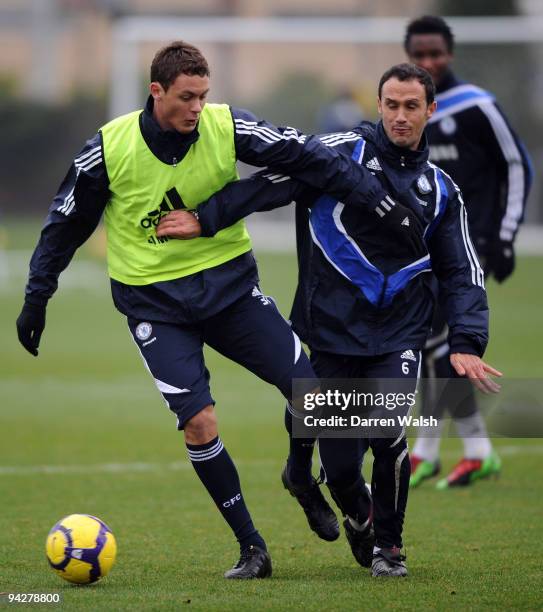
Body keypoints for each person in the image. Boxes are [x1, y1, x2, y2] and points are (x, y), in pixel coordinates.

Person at [15, 41, 420, 580]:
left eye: (204, 96)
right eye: (186, 97)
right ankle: (252, 547)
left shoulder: (228, 125)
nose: (197, 108)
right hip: (155, 307)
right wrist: (36, 297)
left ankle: (310, 480)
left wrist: (377, 198)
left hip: (231, 294)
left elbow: (310, 156)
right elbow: (64, 225)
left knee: (316, 395)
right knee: (200, 424)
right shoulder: (107, 149)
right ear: (155, 92)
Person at [153, 63, 501, 577]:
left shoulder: (442, 190)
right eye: (391, 105)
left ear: (431, 110)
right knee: (340, 470)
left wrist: (467, 339)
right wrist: (206, 218)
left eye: (412, 107)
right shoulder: (338, 155)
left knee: (385, 428)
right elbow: (268, 187)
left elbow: (462, 269)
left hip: (400, 332)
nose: (400, 117)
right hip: (332, 332)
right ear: (378, 105)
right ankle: (353, 514)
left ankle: (390, 548)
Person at [404, 16, 533, 489]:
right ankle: (466, 451)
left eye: (435, 53)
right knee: (431, 346)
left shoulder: (477, 106)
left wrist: (503, 235)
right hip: (422, 250)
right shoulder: (410, 109)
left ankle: (433, 450)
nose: (428, 61)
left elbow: (517, 166)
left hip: (469, 245)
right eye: (419, 54)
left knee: (438, 344)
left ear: (450, 53)